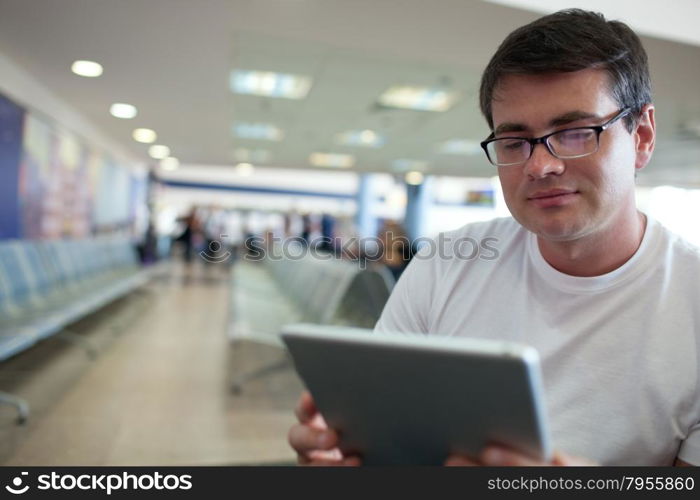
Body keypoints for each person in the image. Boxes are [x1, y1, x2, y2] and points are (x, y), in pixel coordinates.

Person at [288, 9, 700, 466]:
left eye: (575, 133)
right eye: (514, 142)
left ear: (641, 136)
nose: (541, 166)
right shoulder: (445, 264)